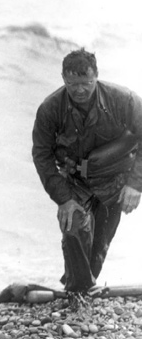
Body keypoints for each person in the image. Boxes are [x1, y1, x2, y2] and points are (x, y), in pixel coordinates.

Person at [32, 48, 142, 298]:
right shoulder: (50, 109)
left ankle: (81, 290)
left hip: (115, 181)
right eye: (72, 84)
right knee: (74, 228)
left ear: (97, 76)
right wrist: (64, 199)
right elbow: (42, 156)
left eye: (86, 83)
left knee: (98, 247)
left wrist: (135, 185)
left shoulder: (123, 100)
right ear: (63, 78)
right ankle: (76, 292)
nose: (79, 90)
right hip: (76, 182)